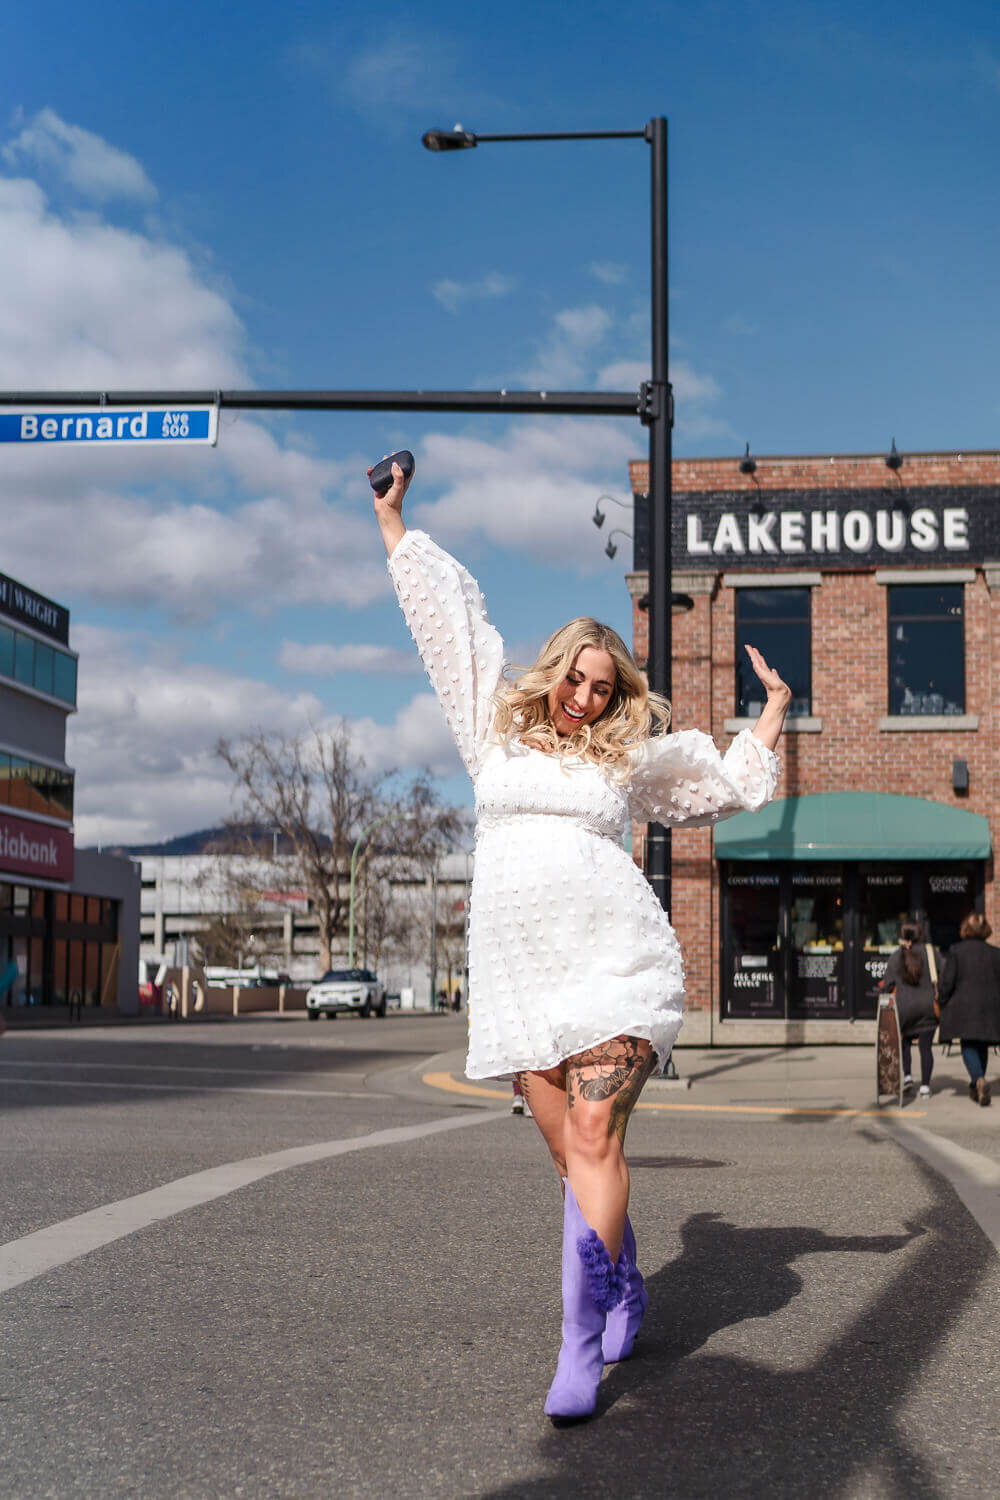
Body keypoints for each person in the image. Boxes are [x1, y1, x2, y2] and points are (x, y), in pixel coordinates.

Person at [371, 457, 790, 1423]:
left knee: (597, 1133)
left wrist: (768, 713)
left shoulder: (625, 760)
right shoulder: (494, 734)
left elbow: (714, 785)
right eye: (576, 678)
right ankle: (629, 1284)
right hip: (524, 976)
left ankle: (577, 1348)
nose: (587, 698)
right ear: (553, 669)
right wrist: (396, 527)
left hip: (614, 962)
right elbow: (449, 633)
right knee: (573, 1160)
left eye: (605, 687)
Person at [937, 912, 1000, 1107]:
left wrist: (942, 1000)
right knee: (981, 1045)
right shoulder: (995, 952)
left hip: (964, 1007)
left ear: (966, 928)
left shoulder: (956, 951)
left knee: (968, 1045)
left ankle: (978, 1079)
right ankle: (976, 1085)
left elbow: (947, 982)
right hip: (990, 1007)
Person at [880, 921, 939, 1097]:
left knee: (904, 1043)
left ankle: (907, 1076)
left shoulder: (895, 956)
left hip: (905, 1008)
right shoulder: (930, 953)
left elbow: (888, 986)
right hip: (928, 1007)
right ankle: (926, 1086)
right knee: (925, 1047)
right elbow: (944, 973)